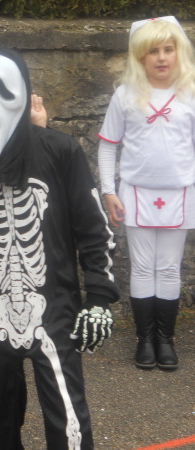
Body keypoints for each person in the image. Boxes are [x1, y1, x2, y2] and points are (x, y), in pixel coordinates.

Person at [0, 48, 119, 449]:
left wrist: (99, 297)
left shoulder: (60, 149)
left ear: (24, 95)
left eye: (3, 90)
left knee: (67, 416)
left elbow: (92, 225)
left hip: (55, 304)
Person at [98, 16, 195, 371]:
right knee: (142, 266)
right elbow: (108, 145)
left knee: (168, 267)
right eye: (153, 51)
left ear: (179, 51)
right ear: (140, 56)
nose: (162, 57)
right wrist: (108, 191)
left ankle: (165, 339)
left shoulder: (190, 93)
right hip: (136, 193)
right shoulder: (125, 95)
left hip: (180, 193)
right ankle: (145, 339)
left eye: (168, 49)